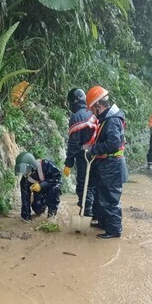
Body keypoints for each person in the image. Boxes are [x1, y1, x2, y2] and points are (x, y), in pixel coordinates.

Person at [84, 86, 126, 239]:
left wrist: (94, 149)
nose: (93, 114)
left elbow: (113, 144)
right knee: (102, 196)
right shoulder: (108, 118)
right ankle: (103, 222)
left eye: (92, 110)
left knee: (109, 199)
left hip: (112, 166)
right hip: (107, 165)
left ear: (97, 106)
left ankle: (114, 230)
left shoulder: (112, 120)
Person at [63, 88, 97, 216]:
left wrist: (68, 163)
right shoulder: (93, 113)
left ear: (73, 102)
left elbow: (74, 143)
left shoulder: (76, 117)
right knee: (93, 184)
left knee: (83, 185)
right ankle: (95, 213)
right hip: (98, 155)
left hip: (84, 157)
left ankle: (87, 212)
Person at [14, 151, 62, 222]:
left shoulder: (45, 165)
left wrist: (41, 185)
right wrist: (26, 217)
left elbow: (57, 178)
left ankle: (52, 214)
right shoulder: (25, 179)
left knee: (54, 189)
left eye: (26, 169)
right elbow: (25, 198)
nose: (25, 173)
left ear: (32, 166)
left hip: (52, 187)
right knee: (37, 209)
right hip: (40, 192)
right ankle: (42, 207)